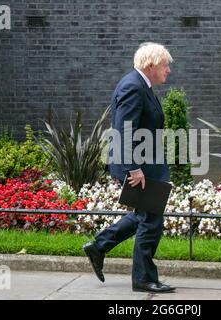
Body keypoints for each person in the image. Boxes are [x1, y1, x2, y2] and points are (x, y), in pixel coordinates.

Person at [82, 42, 175, 293]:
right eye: (165, 65)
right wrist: (133, 168)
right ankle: (143, 278)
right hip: (139, 168)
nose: (168, 70)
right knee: (151, 221)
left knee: (144, 216)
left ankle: (99, 246)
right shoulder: (134, 87)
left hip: (147, 165)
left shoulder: (141, 86)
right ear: (151, 64)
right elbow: (124, 131)